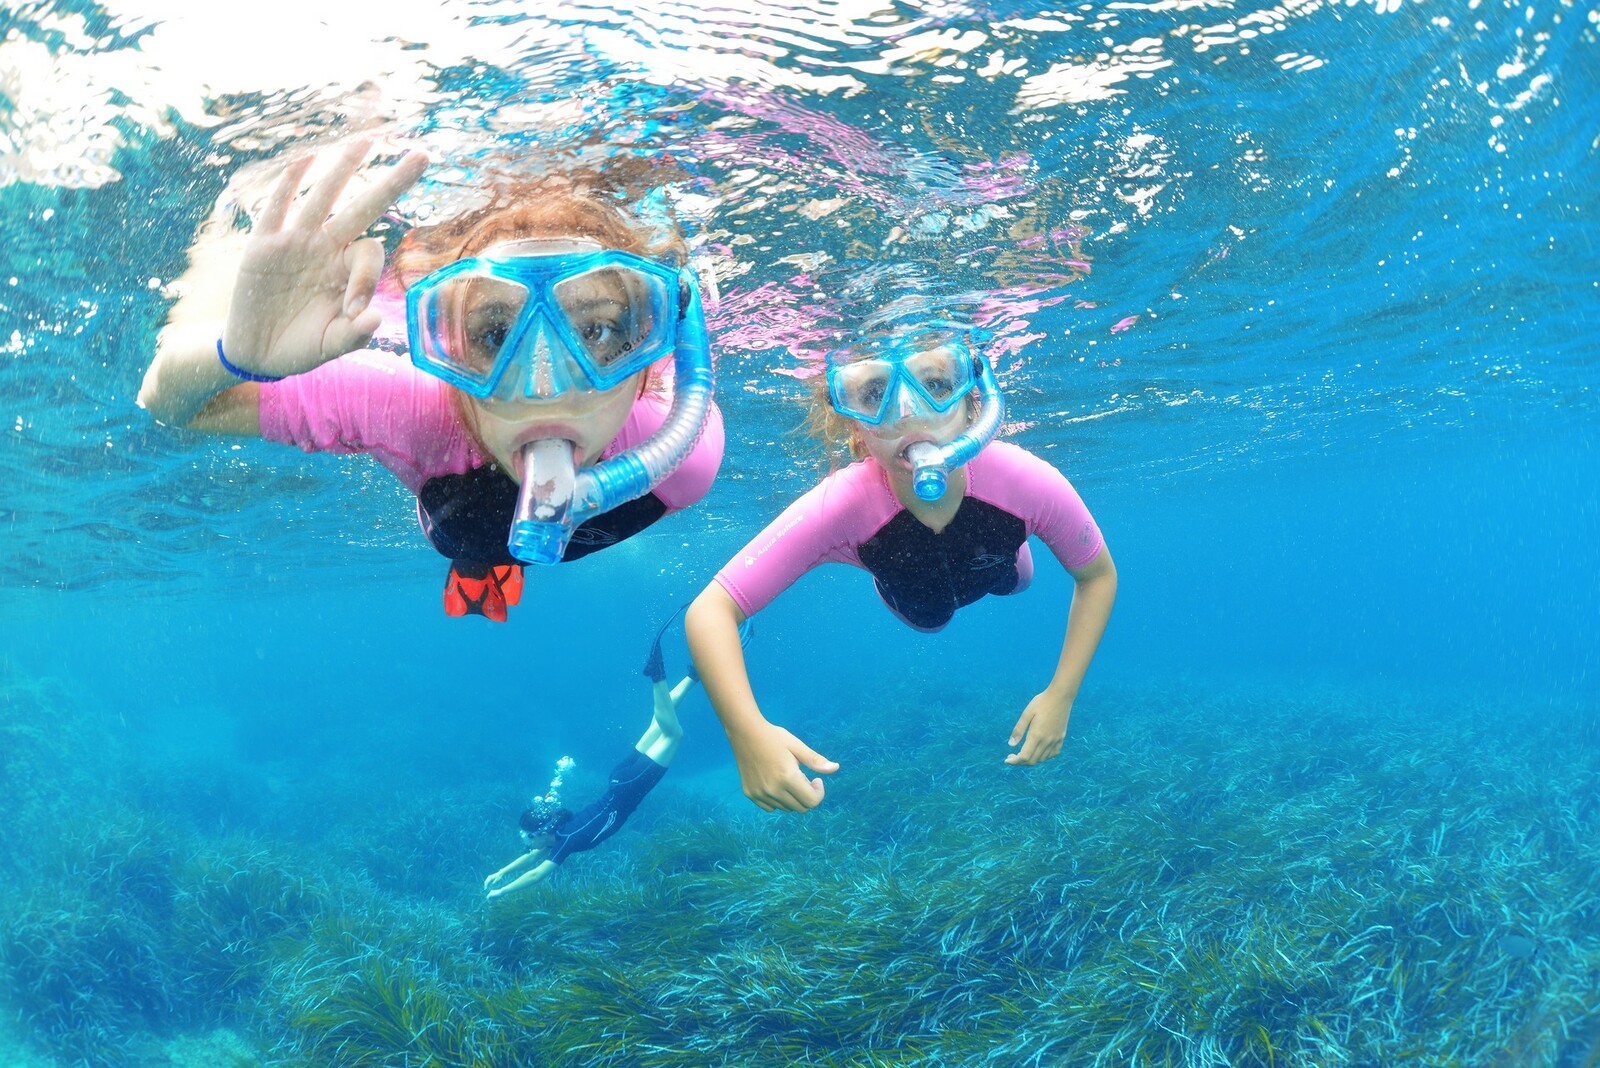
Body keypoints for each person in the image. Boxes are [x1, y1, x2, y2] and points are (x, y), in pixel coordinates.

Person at [138, 141, 723, 617]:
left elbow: (168, 407)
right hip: (458, 525)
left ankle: (483, 570)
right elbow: (165, 401)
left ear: (647, 342)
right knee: (469, 541)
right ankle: (478, 572)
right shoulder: (411, 407)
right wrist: (238, 354)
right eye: (495, 334)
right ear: (448, 347)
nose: (545, 387)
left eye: (595, 331)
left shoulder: (682, 449)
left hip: (492, 518)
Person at [685, 314, 1117, 813]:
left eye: (936, 384)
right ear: (856, 428)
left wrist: (1062, 694)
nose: (909, 412)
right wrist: (746, 732)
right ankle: (911, 585)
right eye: (874, 394)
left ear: (974, 404)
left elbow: (1097, 576)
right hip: (912, 593)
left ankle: (1011, 556)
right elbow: (711, 609)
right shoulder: (841, 505)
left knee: (1017, 580)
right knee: (930, 619)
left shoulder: (1026, 481)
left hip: (1000, 567)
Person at [483, 612, 753, 898]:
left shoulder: (566, 840)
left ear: (541, 832)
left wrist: (502, 892)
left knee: (673, 734)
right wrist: (501, 873)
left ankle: (657, 675)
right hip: (618, 779)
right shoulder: (556, 835)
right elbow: (530, 858)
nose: (526, 843)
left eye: (527, 837)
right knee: (657, 723)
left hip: (629, 788)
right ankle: (692, 675)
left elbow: (537, 873)